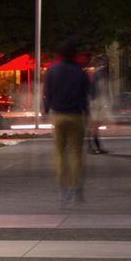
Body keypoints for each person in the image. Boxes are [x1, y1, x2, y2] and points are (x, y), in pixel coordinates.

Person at [43, 41, 91, 206]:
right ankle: (77, 186)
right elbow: (86, 95)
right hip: (76, 115)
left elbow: (47, 94)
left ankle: (64, 190)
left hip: (59, 115)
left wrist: (47, 109)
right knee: (77, 154)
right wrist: (87, 113)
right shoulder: (80, 72)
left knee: (60, 154)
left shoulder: (52, 71)